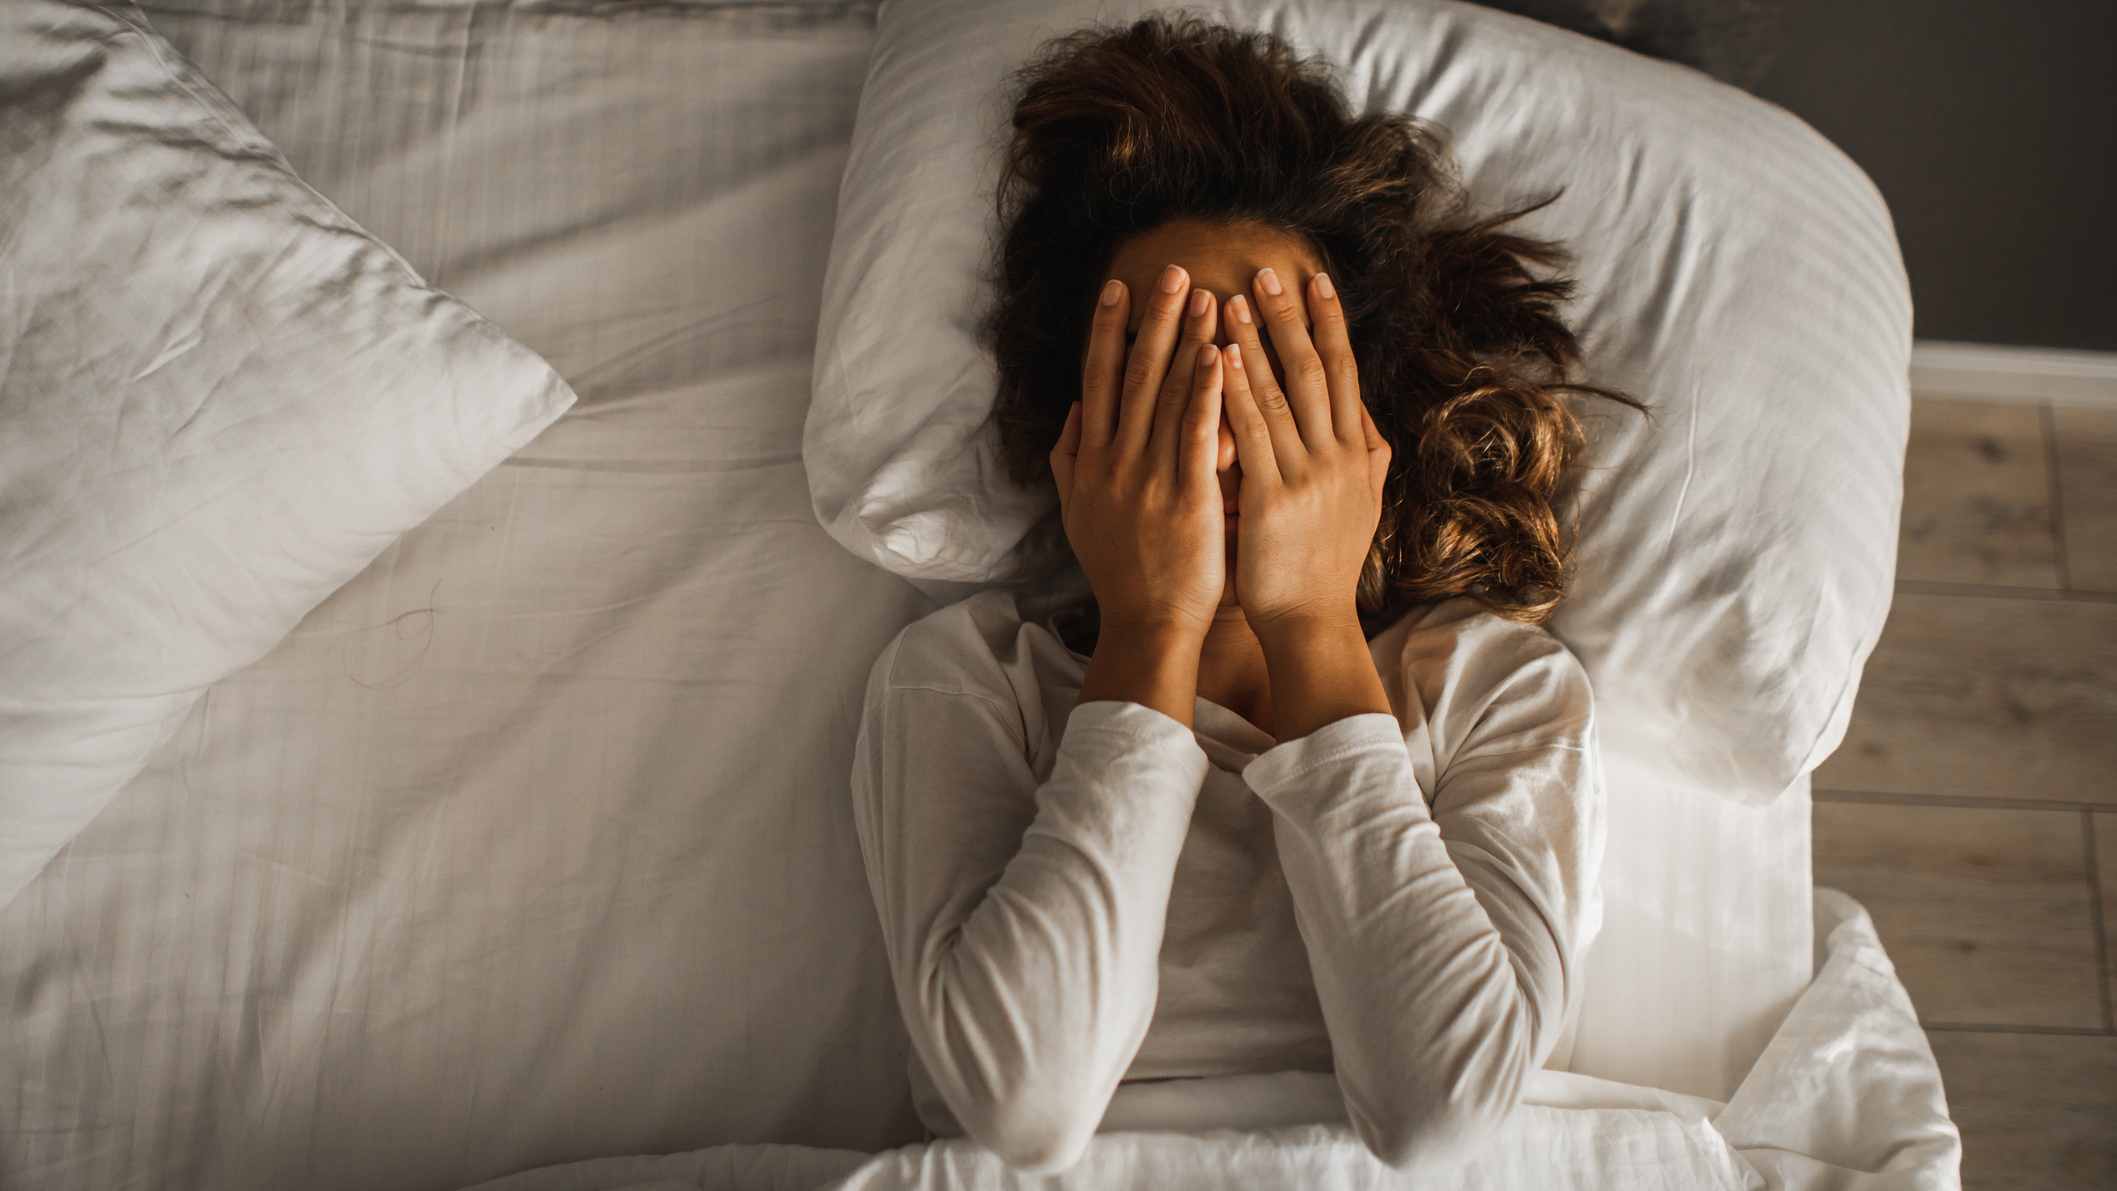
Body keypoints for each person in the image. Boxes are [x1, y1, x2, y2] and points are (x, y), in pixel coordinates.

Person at [849, 16, 1644, 1176]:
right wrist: (1150, 628)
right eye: (1163, 376)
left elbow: (1442, 1115)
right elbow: (1025, 1105)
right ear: (1072, 429)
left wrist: (1312, 625)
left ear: (1359, 427)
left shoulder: (1488, 686)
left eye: (1274, 377)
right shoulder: (968, 680)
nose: (1222, 442)